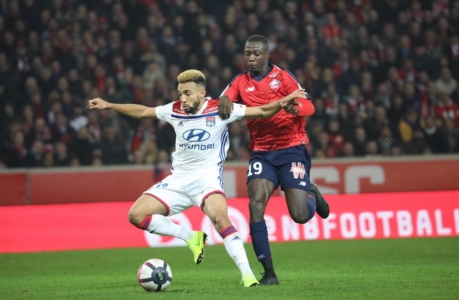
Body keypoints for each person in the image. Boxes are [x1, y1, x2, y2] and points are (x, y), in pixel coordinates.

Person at [88, 69, 305, 287]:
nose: (182, 99)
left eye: (188, 93)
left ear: (202, 94)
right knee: (136, 215)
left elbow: (262, 111)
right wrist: (109, 105)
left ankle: (247, 275)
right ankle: (191, 237)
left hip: (207, 180)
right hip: (178, 181)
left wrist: (283, 101)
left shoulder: (221, 109)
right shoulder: (173, 110)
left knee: (221, 220)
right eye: (180, 93)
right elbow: (144, 112)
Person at [218, 35, 331, 285]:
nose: (251, 57)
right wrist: (224, 99)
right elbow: (224, 98)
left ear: (267, 55)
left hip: (292, 149)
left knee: (300, 215)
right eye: (247, 53)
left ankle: (313, 194)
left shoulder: (284, 77)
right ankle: (268, 272)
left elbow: (309, 107)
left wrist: (295, 109)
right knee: (255, 204)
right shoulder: (240, 81)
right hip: (261, 152)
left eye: (256, 53)